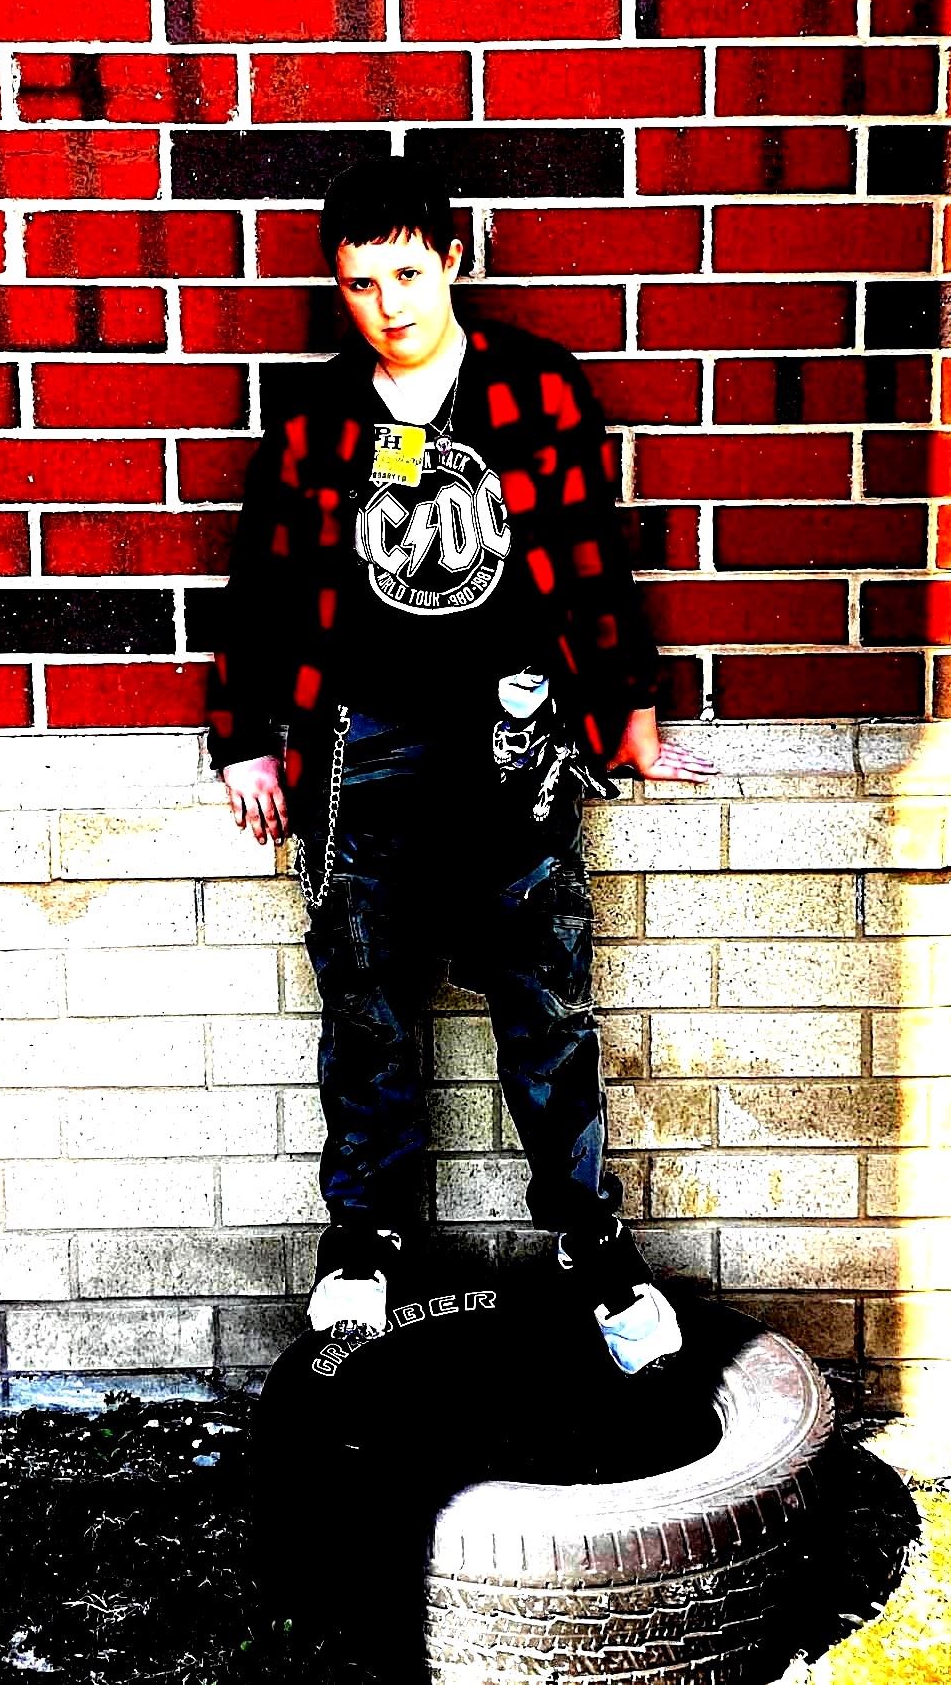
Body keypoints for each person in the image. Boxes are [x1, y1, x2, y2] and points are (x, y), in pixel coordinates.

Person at [206, 154, 715, 1375]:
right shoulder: (317, 421)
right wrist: (244, 739)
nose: (386, 306)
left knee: (543, 1005)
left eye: (405, 276)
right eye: (359, 285)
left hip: (513, 739)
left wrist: (628, 709)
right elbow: (263, 584)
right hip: (361, 742)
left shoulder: (533, 388)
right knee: (368, 1008)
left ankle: (589, 1244)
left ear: (450, 261)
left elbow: (590, 554)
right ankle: (363, 1244)